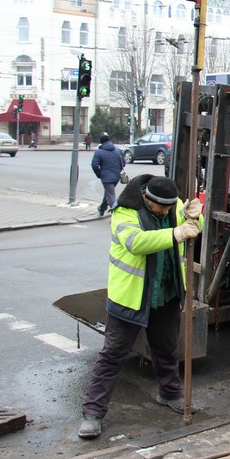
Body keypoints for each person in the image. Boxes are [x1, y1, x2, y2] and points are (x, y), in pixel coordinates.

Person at [78, 175, 203, 440]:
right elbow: (137, 243)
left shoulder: (171, 203)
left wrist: (196, 215)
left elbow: (192, 225)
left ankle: (169, 393)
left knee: (166, 351)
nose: (168, 211)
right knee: (112, 356)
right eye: (162, 208)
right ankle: (93, 412)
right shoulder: (124, 212)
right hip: (130, 299)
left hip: (166, 295)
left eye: (171, 207)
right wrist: (175, 233)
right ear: (148, 199)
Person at [92, 134, 125, 216]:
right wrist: (118, 170)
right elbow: (123, 162)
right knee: (108, 193)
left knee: (111, 196)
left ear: (101, 143)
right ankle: (102, 209)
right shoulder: (117, 150)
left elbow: (94, 165)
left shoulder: (99, 152)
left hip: (106, 177)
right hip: (116, 177)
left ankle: (116, 214)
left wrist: (99, 174)